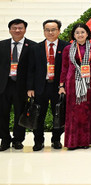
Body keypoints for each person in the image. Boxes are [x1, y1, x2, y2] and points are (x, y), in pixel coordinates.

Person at [27, 19, 67, 151]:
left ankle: (56, 140)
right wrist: (30, 88)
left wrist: (64, 86)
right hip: (40, 87)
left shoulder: (66, 47)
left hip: (58, 88)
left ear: (59, 31)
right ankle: (38, 141)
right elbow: (31, 70)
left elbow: (68, 69)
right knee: (38, 115)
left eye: (53, 29)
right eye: (47, 30)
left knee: (58, 114)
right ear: (44, 31)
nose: (50, 32)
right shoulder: (35, 48)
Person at [59, 23, 91, 150]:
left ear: (87, 33)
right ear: (73, 35)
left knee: (88, 111)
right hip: (72, 84)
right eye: (77, 32)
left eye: (83, 32)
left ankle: (86, 141)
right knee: (73, 113)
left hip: (89, 84)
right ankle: (73, 142)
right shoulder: (67, 49)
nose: (80, 35)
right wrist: (61, 85)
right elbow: (64, 68)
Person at [0, 19, 32, 150]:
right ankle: (5, 139)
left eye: (20, 28)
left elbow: (32, 69)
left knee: (20, 113)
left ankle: (18, 140)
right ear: (9, 30)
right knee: (2, 113)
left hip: (21, 86)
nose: (17, 30)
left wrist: (31, 87)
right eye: (14, 28)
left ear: (25, 29)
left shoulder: (32, 46)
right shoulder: (1, 45)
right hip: (4, 85)